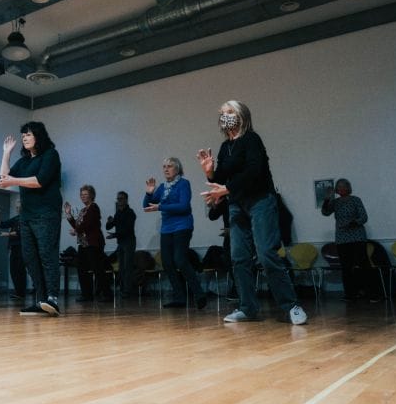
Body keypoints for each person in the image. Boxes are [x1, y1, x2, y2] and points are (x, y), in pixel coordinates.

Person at [198, 100, 307, 325]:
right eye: (222, 114)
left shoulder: (251, 140)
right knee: (238, 257)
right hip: (237, 204)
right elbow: (221, 178)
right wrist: (210, 172)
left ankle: (291, 305)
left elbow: (254, 172)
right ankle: (247, 308)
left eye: (228, 112)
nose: (224, 116)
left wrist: (226, 189)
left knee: (267, 254)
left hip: (261, 200)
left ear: (240, 115)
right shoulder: (224, 147)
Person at [0, 122, 63, 317]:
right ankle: (41, 301)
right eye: (23, 135)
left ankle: (52, 299)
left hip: (47, 214)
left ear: (39, 136)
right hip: (27, 216)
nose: (24, 137)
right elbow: (3, 179)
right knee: (30, 258)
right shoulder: (24, 162)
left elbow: (39, 181)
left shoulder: (50, 155)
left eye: (28, 134)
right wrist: (6, 153)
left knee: (47, 256)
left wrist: (13, 181)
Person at [143, 157, 206, 310]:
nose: (166, 169)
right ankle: (179, 297)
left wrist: (161, 207)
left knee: (180, 260)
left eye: (169, 166)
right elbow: (146, 206)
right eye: (164, 166)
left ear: (177, 169)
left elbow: (183, 206)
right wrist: (149, 194)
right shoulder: (163, 187)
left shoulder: (184, 184)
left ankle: (199, 294)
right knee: (167, 262)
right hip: (166, 228)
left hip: (182, 226)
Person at [320, 179, 378, 301]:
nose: (340, 189)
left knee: (363, 265)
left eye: (343, 186)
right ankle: (350, 294)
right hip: (342, 239)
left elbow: (364, 217)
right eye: (338, 187)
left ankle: (372, 294)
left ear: (348, 188)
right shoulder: (335, 202)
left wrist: (352, 223)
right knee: (346, 267)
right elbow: (325, 213)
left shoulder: (355, 200)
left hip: (357, 237)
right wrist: (327, 199)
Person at [65, 185, 111, 302]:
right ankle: (87, 295)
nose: (83, 196)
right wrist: (69, 215)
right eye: (81, 195)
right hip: (83, 244)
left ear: (91, 196)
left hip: (93, 244)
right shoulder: (83, 210)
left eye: (85, 194)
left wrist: (76, 230)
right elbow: (78, 225)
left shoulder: (94, 208)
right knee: (82, 269)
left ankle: (107, 294)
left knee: (98, 269)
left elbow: (88, 224)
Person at [106, 191, 137, 298]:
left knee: (127, 267)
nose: (119, 201)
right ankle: (124, 289)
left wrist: (114, 235)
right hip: (121, 242)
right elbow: (108, 227)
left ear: (126, 200)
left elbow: (127, 230)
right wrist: (109, 221)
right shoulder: (118, 213)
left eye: (121, 199)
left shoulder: (130, 213)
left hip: (129, 242)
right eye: (118, 199)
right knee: (122, 267)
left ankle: (128, 291)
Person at [0, 200, 27, 300]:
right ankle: (18, 292)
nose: (18, 209)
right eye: (16, 207)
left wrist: (7, 234)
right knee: (13, 270)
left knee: (20, 270)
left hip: (21, 247)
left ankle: (21, 293)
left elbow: (19, 232)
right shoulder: (16, 218)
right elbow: (1, 225)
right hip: (14, 247)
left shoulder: (25, 218)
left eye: (19, 207)